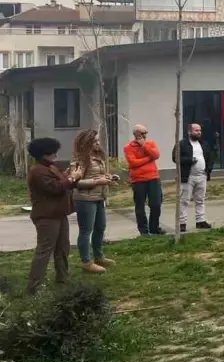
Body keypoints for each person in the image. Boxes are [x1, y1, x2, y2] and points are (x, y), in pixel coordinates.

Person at [27, 137, 80, 293]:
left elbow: (66, 183)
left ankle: (62, 280)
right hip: (46, 216)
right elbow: (55, 188)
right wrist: (72, 178)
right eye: (53, 152)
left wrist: (72, 176)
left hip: (59, 214)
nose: (56, 154)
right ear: (44, 154)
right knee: (44, 251)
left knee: (63, 248)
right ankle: (34, 287)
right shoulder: (37, 171)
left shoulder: (51, 167)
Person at [70, 130, 117, 274]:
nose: (98, 143)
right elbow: (75, 183)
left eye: (98, 140)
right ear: (86, 143)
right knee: (86, 231)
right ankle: (86, 262)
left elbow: (96, 174)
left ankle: (99, 257)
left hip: (98, 197)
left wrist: (108, 177)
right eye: (95, 141)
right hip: (85, 199)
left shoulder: (97, 156)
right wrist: (97, 181)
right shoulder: (80, 160)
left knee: (100, 227)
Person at [123, 124, 165, 235]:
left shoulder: (150, 144)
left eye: (145, 132)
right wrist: (148, 158)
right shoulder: (128, 147)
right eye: (142, 133)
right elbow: (133, 163)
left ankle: (154, 228)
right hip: (138, 180)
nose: (144, 135)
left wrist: (145, 146)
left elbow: (156, 155)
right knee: (140, 206)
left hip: (153, 177)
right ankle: (144, 231)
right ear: (136, 134)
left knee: (156, 204)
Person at [173, 123, 214, 233]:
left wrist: (208, 170)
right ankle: (182, 223)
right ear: (189, 132)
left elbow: (210, 157)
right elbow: (175, 158)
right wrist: (190, 160)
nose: (199, 132)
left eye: (200, 130)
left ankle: (200, 221)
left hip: (202, 176)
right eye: (196, 130)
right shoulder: (182, 144)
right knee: (184, 200)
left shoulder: (204, 144)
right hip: (188, 177)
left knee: (200, 200)